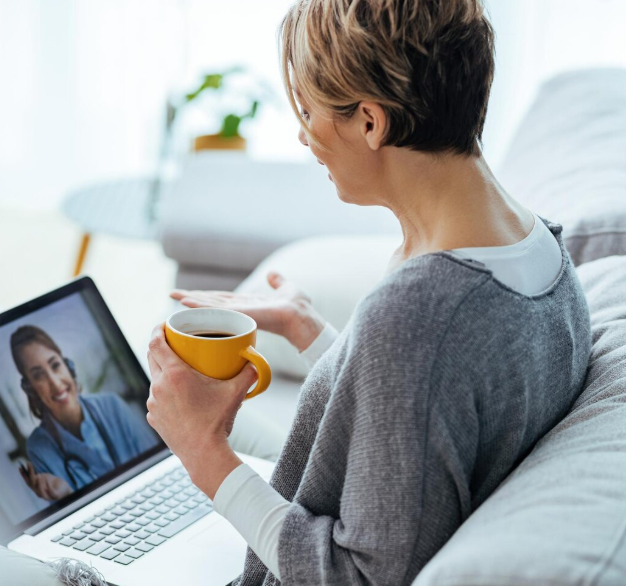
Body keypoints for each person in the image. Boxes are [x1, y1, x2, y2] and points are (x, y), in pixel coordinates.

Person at [145, 1, 592, 585]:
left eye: (308, 111)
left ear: (370, 122)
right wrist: (310, 331)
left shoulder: (420, 315)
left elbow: (362, 577)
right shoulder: (536, 247)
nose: (303, 136)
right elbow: (423, 417)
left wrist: (205, 454)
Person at [10, 325, 160, 502]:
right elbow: (66, 516)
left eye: (55, 365)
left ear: (68, 366)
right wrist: (66, 495)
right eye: (38, 376)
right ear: (30, 389)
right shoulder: (39, 448)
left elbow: (158, 466)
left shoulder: (112, 406)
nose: (55, 383)